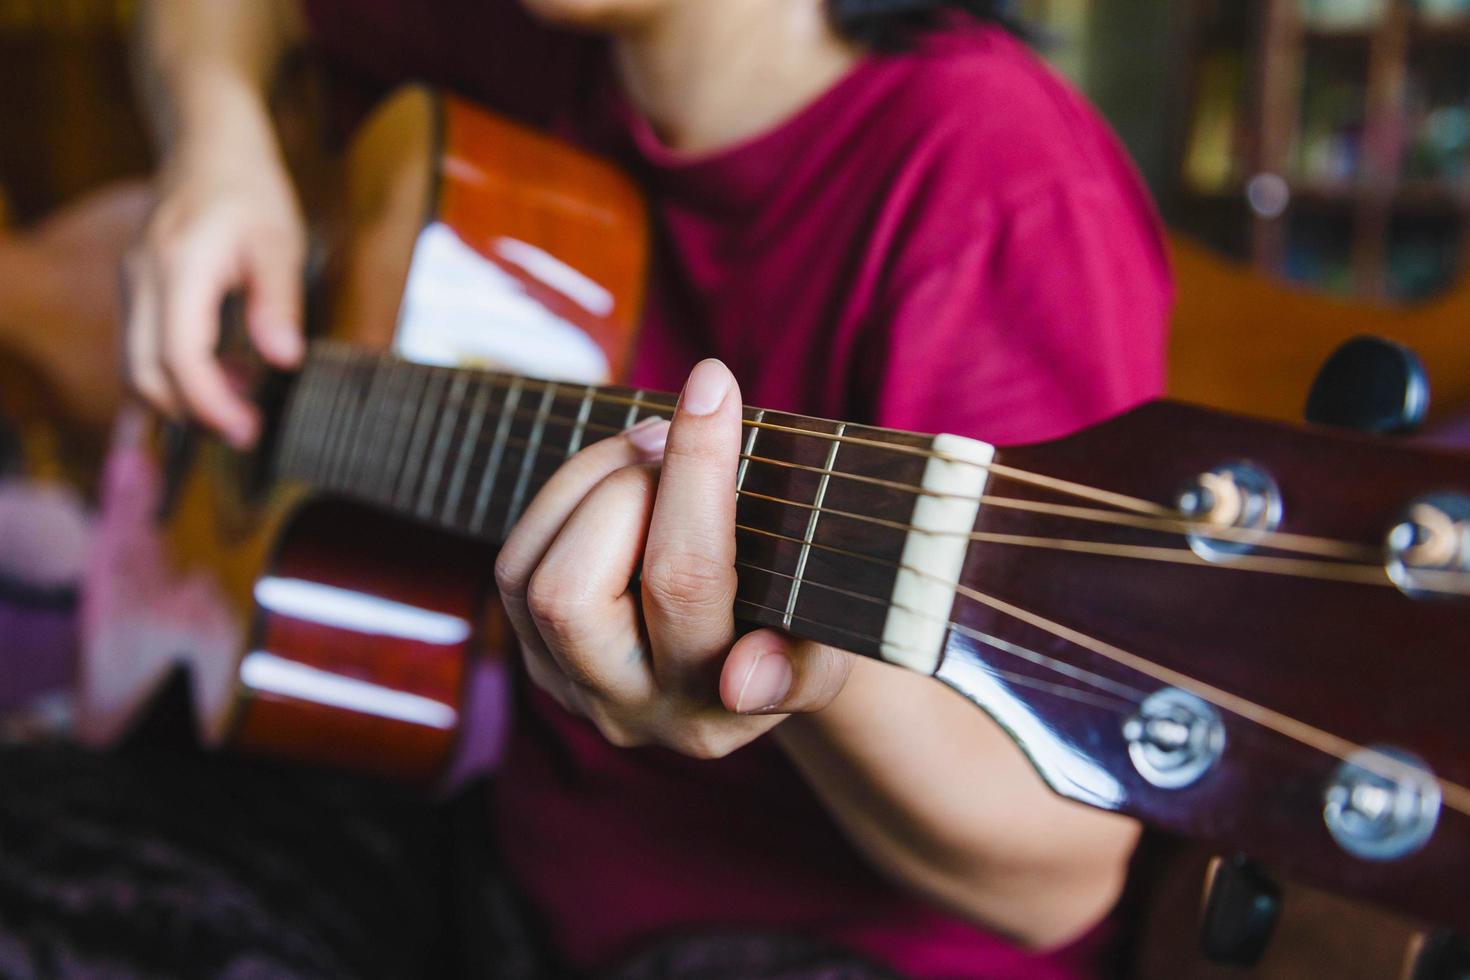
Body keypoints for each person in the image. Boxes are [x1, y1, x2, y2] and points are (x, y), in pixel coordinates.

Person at [120, 0, 1171, 976]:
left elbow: (1064, 872)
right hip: (517, 884)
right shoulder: (542, 40)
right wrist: (217, 144)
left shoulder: (998, 170)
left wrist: (794, 672)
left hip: (830, 947)